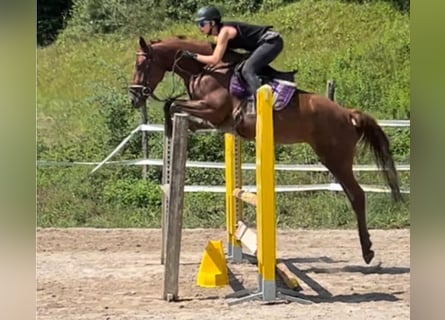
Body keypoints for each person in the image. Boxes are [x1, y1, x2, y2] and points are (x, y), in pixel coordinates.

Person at [182, 5, 284, 98]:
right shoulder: (218, 36)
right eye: (198, 24)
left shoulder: (224, 32)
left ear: (212, 23)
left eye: (202, 24)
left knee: (247, 70)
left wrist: (194, 56)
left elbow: (215, 59)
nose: (200, 27)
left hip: (271, 42)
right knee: (242, 66)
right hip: (263, 44)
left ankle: (264, 101)